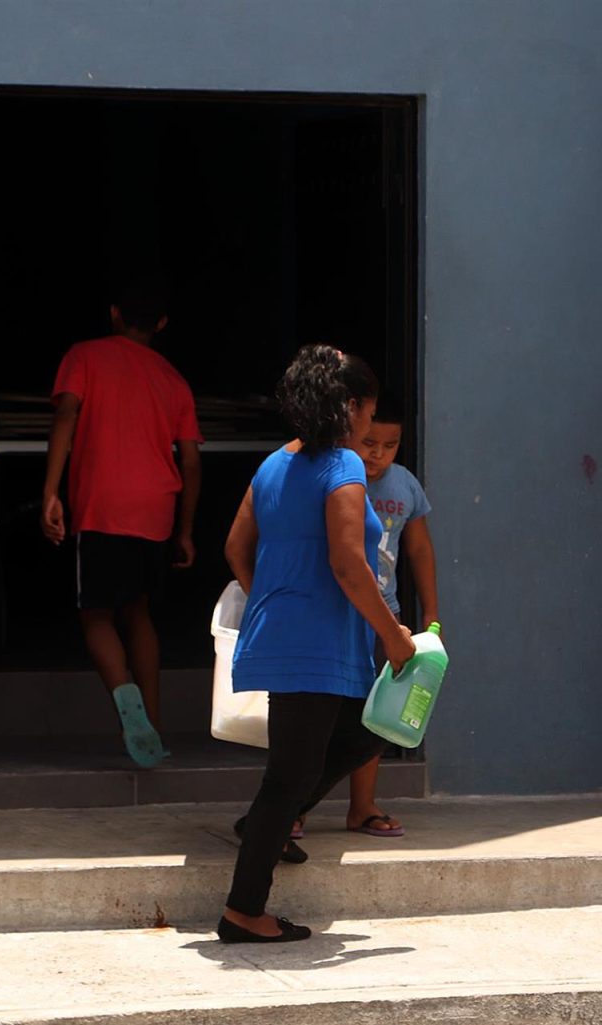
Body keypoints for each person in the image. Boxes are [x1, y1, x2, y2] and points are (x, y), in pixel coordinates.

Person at [218, 345, 416, 944]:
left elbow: (235, 547)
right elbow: (349, 564)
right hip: (319, 643)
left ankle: (265, 827)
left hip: (289, 634)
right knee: (292, 773)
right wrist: (394, 636)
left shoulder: (274, 464)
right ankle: (243, 910)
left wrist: (273, 600)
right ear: (350, 407)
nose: (368, 425)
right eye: (367, 411)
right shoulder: (343, 468)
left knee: (366, 732)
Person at [41, 276, 201, 768]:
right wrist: (186, 530)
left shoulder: (84, 356)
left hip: (102, 503)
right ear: (162, 323)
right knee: (139, 613)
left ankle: (124, 694)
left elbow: (66, 413)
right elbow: (191, 461)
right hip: (156, 508)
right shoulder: (173, 379)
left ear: (114, 314)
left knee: (96, 615)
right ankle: (151, 723)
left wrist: (50, 490)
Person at [291, 397, 438, 840]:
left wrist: (430, 613)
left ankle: (362, 806)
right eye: (369, 442)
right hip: (332, 614)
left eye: (390, 445)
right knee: (321, 717)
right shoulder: (333, 477)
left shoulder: (405, 487)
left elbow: (419, 550)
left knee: (376, 716)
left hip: (384, 618)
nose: (377, 454)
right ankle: (293, 809)